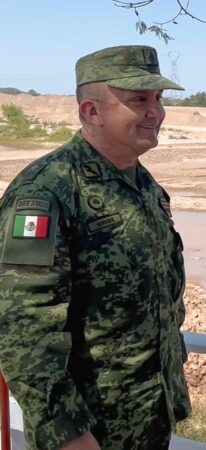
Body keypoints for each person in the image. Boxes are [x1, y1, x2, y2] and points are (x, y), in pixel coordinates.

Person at [0, 45, 190, 450]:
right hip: (88, 432)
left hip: (149, 420)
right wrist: (67, 432)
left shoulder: (144, 187)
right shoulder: (47, 191)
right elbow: (21, 327)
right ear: (91, 111)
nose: (155, 112)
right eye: (139, 99)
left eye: (158, 99)